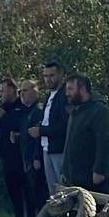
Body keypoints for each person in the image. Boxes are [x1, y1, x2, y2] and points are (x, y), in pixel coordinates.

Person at [62, 74, 109, 194]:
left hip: (91, 177)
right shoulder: (75, 111)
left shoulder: (99, 110)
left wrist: (99, 171)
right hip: (75, 176)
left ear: (82, 89)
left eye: (70, 89)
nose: (67, 93)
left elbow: (105, 142)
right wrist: (64, 170)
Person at [0, 77, 29, 217]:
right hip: (6, 155)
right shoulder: (1, 107)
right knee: (12, 190)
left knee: (26, 190)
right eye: (1, 90)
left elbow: (19, 124)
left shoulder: (21, 106)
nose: (2, 93)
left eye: (4, 90)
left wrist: (5, 117)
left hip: (20, 155)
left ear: (13, 90)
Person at [29, 61, 68, 190]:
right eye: (46, 76)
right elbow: (43, 122)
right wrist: (37, 155)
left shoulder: (65, 96)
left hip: (60, 149)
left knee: (64, 190)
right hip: (46, 149)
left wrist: (41, 131)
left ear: (61, 75)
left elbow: (64, 126)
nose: (48, 79)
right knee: (53, 192)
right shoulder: (48, 96)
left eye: (52, 75)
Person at [19, 79, 48, 217]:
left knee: (40, 194)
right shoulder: (28, 111)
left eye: (25, 91)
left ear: (35, 91)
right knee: (31, 194)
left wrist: (37, 157)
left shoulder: (39, 110)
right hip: (27, 158)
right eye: (20, 91)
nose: (22, 94)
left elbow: (38, 135)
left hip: (36, 159)